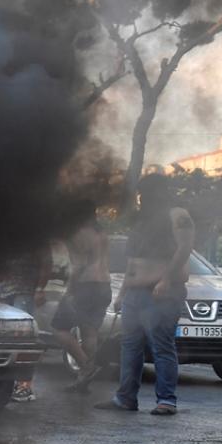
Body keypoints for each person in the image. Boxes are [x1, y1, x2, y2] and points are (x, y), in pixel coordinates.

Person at [96, 174, 195, 416]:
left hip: (162, 293)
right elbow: (132, 263)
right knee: (130, 346)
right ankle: (125, 398)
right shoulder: (141, 221)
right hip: (135, 294)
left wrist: (166, 279)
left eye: (147, 192)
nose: (142, 197)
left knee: (161, 346)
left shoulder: (177, 214)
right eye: (141, 193)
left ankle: (166, 401)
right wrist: (122, 294)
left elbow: (185, 248)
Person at [51, 201, 111, 391]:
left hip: (86, 285)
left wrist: (69, 291)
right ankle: (83, 379)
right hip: (104, 285)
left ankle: (86, 365)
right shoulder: (102, 233)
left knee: (58, 329)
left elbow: (79, 264)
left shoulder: (79, 233)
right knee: (89, 331)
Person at [0, 245, 51, 402]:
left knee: (23, 339)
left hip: (24, 292)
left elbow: (46, 262)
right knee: (3, 337)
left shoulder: (36, 236)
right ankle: (5, 382)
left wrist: (40, 288)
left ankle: (24, 386)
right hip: (6, 292)